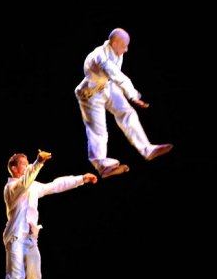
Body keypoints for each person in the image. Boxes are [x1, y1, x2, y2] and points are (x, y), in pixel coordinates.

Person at [3, 150, 98, 279]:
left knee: (35, 277)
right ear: (14, 168)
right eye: (23, 163)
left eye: (28, 162)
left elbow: (55, 185)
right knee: (15, 277)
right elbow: (24, 183)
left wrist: (81, 179)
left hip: (31, 238)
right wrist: (38, 163)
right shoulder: (11, 187)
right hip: (16, 236)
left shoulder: (33, 186)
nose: (27, 165)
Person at [74, 28, 173, 178]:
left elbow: (115, 76)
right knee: (98, 130)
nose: (126, 50)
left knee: (127, 112)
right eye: (124, 46)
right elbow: (116, 74)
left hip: (107, 86)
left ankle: (147, 149)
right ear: (114, 43)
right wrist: (132, 95)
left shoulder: (116, 52)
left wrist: (131, 96)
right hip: (90, 94)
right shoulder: (99, 56)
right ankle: (102, 165)